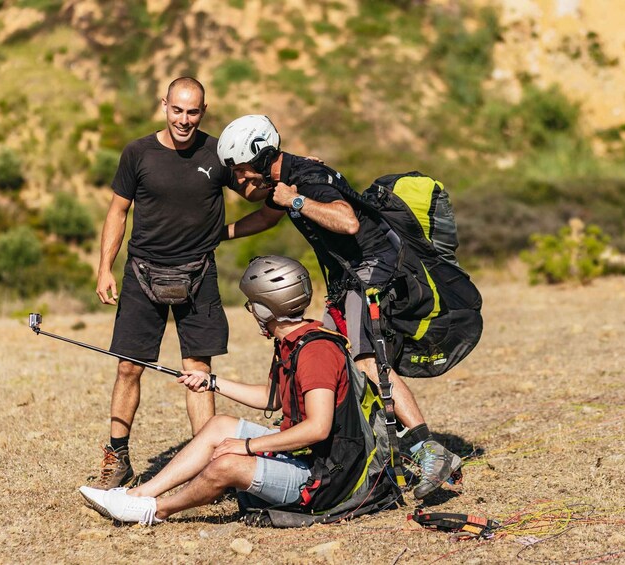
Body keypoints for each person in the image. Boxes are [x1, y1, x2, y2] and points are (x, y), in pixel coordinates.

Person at [217, 115, 461, 499]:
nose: (240, 180)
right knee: (339, 355)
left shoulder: (306, 180)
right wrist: (220, 234)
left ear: (263, 158)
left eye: (243, 170)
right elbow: (267, 216)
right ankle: (388, 447)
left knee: (368, 364)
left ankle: (429, 450)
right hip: (347, 279)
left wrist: (296, 199)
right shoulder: (286, 179)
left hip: (372, 273)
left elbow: (347, 223)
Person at [80, 256, 395, 525]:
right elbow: (273, 398)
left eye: (253, 304)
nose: (252, 310)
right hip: (308, 459)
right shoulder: (292, 341)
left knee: (227, 464)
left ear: (266, 306)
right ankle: (137, 495)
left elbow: (317, 427)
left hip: (325, 479)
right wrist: (211, 381)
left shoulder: (315, 352)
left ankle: (155, 510)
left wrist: (248, 446)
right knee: (219, 426)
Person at [91, 79, 266, 490]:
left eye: (192, 112)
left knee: (199, 371)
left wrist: (288, 175)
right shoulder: (137, 152)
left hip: (199, 274)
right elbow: (118, 212)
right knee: (128, 367)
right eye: (177, 110)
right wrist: (104, 268)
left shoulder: (219, 152)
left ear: (203, 111)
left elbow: (260, 197)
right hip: (141, 273)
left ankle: (206, 469)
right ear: (164, 105)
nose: (184, 120)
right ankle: (117, 459)